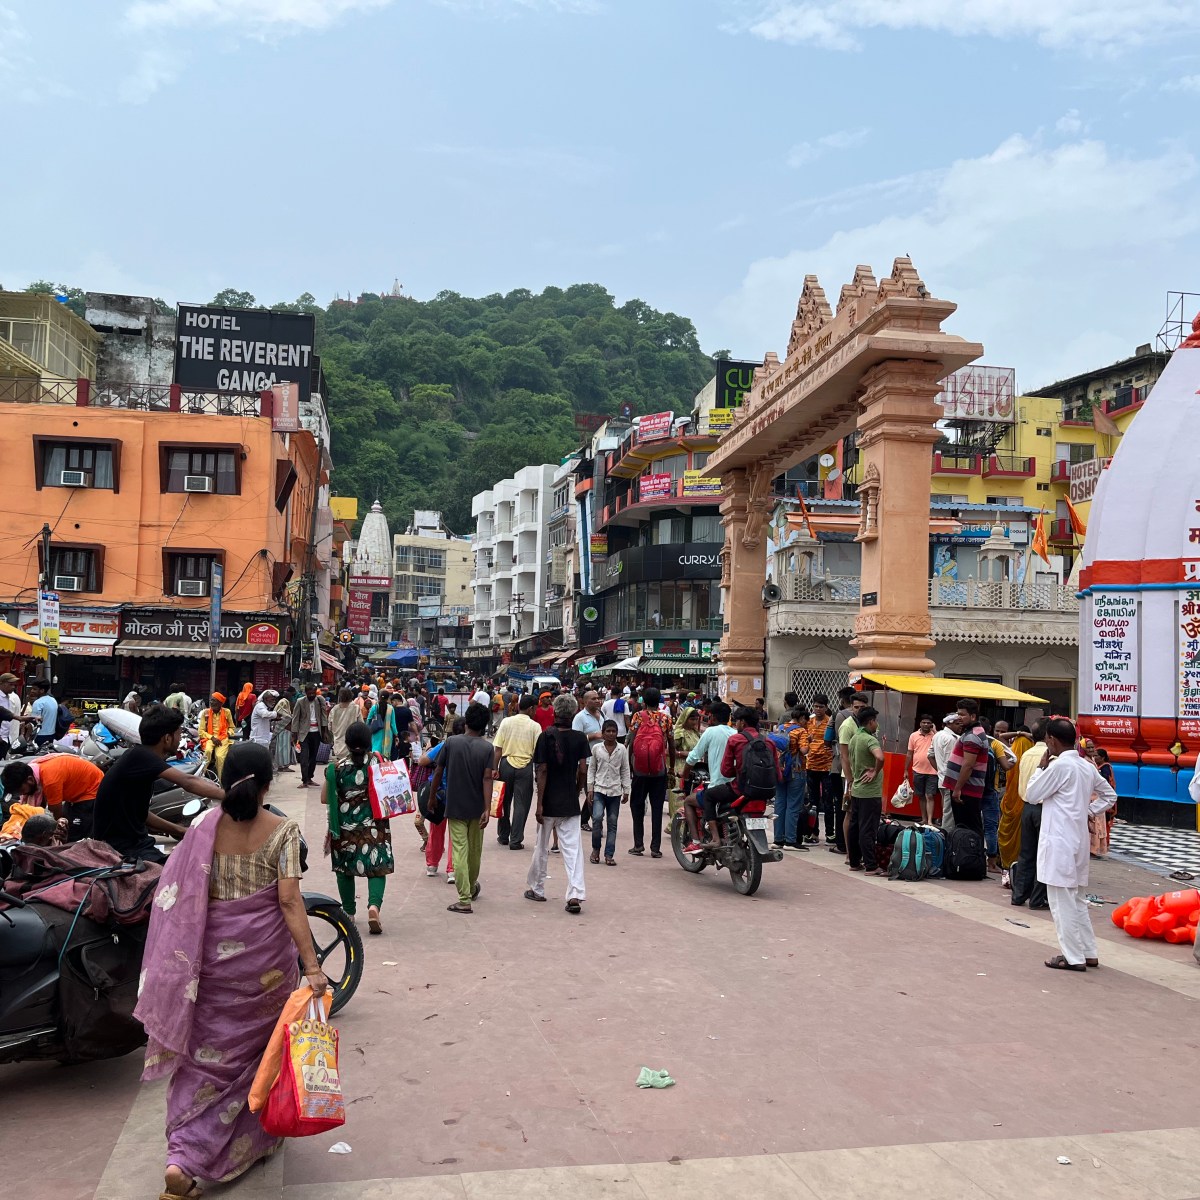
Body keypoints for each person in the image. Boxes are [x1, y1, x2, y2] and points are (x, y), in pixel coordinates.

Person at [134, 740, 327, 1196]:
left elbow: (179, 893)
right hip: (266, 971)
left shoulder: (203, 826)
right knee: (258, 1055)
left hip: (211, 970)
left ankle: (183, 1157)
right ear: (265, 785)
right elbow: (288, 900)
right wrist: (313, 967)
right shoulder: (282, 830)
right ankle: (248, 1141)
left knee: (205, 1058)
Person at [1024, 718, 1117, 970]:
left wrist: (1041, 768)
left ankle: (1073, 957)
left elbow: (1031, 795)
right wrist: (1088, 810)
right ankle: (1088, 952)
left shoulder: (1058, 766)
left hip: (1059, 840)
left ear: (1051, 740)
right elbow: (1110, 795)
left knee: (1060, 900)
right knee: (1076, 898)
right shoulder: (1086, 766)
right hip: (1077, 840)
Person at [93, 703, 226, 864]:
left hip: (136, 845)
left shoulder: (139, 756)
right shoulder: (141, 757)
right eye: (179, 734)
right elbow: (188, 781)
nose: (180, 739)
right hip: (122, 850)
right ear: (167, 738)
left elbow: (141, 815)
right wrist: (230, 796)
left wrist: (181, 831)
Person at [323, 719, 393, 935]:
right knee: (377, 866)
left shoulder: (336, 769)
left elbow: (325, 798)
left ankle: (349, 913)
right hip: (375, 827)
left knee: (344, 870)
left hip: (344, 829)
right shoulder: (380, 763)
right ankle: (373, 907)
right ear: (369, 741)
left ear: (347, 742)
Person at [526, 693, 591, 912]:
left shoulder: (545, 736)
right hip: (569, 801)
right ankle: (575, 893)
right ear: (573, 712)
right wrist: (577, 790)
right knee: (573, 849)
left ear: (555, 712)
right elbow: (583, 769)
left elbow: (542, 770)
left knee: (541, 847)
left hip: (549, 801)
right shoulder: (580, 738)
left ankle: (538, 888)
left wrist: (539, 803)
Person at [430, 702, 494, 914]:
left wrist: (431, 797)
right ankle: (471, 887)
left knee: (459, 849)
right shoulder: (487, 748)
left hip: (455, 805)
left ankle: (464, 898)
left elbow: (438, 772)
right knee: (475, 850)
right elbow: (487, 779)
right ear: (485, 725)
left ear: (466, 720)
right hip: (477, 807)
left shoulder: (451, 743)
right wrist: (487, 808)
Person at [698, 706, 781, 845]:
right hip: (766, 793)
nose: (735, 725)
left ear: (742, 722)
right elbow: (777, 774)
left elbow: (726, 771)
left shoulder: (735, 740)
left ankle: (715, 838)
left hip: (740, 790)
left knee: (708, 796)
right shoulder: (769, 742)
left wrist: (738, 771)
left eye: (736, 721)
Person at [1, 753, 104, 840]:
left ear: (30, 780)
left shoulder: (50, 780)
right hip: (74, 791)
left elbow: (54, 814)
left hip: (91, 790)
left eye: (22, 791)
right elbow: (39, 809)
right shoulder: (35, 770)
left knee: (72, 834)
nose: (23, 795)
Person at [626, 686, 676, 858]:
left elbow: (632, 743)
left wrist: (630, 766)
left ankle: (638, 845)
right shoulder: (666, 718)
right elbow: (672, 744)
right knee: (657, 808)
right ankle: (655, 848)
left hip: (639, 770)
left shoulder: (638, 716)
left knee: (637, 806)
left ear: (644, 701)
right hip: (659, 769)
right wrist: (671, 767)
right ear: (660, 701)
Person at [681, 700, 736, 850]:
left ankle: (697, 841)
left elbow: (693, 757)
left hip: (719, 786)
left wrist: (684, 775)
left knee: (689, 801)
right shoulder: (735, 733)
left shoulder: (711, 732)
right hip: (736, 786)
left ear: (712, 717)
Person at [491, 692, 541, 850]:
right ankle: (516, 840)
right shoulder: (535, 726)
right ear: (532, 709)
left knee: (504, 802)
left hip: (506, 764)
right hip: (525, 767)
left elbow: (497, 749)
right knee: (521, 804)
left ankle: (503, 836)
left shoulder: (506, 722)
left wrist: (494, 768)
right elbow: (538, 753)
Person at [1011, 718, 1051, 910]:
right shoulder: (1051, 756)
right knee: (1044, 854)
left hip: (1027, 806)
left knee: (1026, 854)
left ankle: (1018, 895)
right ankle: (1037, 898)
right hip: (1044, 808)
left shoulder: (1027, 753)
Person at [420, 716, 462, 881]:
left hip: (439, 794)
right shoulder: (471, 746)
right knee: (456, 832)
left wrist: (428, 748)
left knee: (436, 829)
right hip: (459, 795)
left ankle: (432, 864)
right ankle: (452, 869)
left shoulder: (445, 745)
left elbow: (423, 761)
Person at [847, 706, 885, 875]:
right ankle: (871, 865)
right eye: (875, 721)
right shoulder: (870, 739)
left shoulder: (855, 737)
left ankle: (854, 861)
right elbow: (880, 757)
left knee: (855, 827)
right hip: (870, 792)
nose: (877, 724)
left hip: (857, 790)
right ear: (870, 722)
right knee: (867, 828)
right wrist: (875, 771)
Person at [943, 699, 988, 837]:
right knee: (967, 828)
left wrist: (957, 789)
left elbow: (968, 765)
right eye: (958, 714)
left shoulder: (972, 736)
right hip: (966, 790)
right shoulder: (971, 733)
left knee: (968, 830)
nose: (958, 718)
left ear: (973, 716)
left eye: (962, 715)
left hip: (966, 791)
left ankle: (973, 857)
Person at [587, 719, 630, 866]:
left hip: (615, 791)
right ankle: (595, 850)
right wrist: (590, 789)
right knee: (597, 818)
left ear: (617, 733)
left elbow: (625, 769)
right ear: (603, 733)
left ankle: (609, 854)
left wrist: (626, 790)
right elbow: (591, 769)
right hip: (599, 789)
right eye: (608, 731)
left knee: (612, 823)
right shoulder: (597, 749)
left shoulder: (622, 749)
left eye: (613, 731)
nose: (611, 734)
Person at [998, 724, 1034, 886]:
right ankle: (1016, 868)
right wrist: (1024, 734)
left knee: (1006, 830)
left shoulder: (1011, 752)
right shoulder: (1034, 753)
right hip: (1024, 798)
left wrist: (1019, 734)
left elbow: (1002, 738)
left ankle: (1007, 867)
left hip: (1011, 797)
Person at [769, 706, 808, 851]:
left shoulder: (780, 727)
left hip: (780, 770)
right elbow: (804, 750)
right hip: (796, 770)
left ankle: (778, 839)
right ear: (802, 718)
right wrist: (807, 742)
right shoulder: (801, 731)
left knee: (780, 803)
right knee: (793, 805)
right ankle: (790, 840)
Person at [835, 691, 868, 856]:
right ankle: (850, 853)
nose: (859, 710)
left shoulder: (870, 723)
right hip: (851, 776)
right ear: (851, 707)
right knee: (850, 812)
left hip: (867, 776)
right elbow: (844, 756)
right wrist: (850, 779)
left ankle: (861, 851)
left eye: (862, 707)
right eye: (856, 707)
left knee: (864, 814)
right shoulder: (848, 726)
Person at [802, 695, 836, 849]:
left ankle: (830, 834)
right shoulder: (809, 721)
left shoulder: (831, 722)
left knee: (828, 802)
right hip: (811, 766)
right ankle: (813, 833)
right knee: (813, 802)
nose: (818, 709)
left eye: (821, 706)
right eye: (815, 706)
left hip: (826, 767)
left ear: (826, 707)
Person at [290, 682, 331, 788]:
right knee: (304, 757)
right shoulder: (300, 702)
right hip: (304, 733)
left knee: (313, 757)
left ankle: (309, 778)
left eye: (313, 693)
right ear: (306, 693)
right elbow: (295, 718)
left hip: (316, 733)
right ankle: (304, 780)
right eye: (309, 693)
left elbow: (323, 716)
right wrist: (294, 734)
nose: (312, 695)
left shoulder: (320, 700)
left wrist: (325, 731)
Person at [904, 714, 939, 825]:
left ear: (931, 724)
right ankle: (924, 818)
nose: (926, 724)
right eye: (924, 722)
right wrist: (905, 770)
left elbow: (941, 744)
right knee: (921, 796)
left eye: (928, 723)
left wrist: (935, 731)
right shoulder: (913, 736)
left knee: (929, 795)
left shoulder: (936, 736)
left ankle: (929, 821)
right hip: (918, 770)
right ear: (920, 723)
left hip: (933, 771)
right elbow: (909, 753)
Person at [929, 713, 960, 833]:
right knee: (949, 813)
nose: (959, 727)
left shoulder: (938, 735)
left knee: (947, 810)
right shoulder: (951, 739)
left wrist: (940, 771)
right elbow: (951, 763)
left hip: (942, 779)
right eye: (957, 724)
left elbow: (930, 755)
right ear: (950, 723)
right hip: (950, 781)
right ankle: (946, 837)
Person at [671, 706, 702, 822]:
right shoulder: (679, 733)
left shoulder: (695, 733)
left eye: (696, 719)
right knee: (679, 797)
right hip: (681, 767)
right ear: (685, 719)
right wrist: (685, 753)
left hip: (696, 768)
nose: (694, 722)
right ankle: (676, 825)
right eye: (691, 719)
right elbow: (670, 751)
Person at [198, 692, 235, 777]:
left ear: (220, 703)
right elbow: (201, 731)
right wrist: (212, 738)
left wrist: (227, 734)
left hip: (223, 738)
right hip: (210, 738)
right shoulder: (205, 713)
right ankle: (201, 775)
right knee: (207, 751)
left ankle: (220, 780)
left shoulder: (227, 712)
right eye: (211, 700)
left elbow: (232, 727)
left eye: (214, 701)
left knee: (220, 757)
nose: (211, 702)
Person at [27, 678, 59, 749]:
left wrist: (28, 738)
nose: (32, 691)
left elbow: (34, 722)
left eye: (35, 689)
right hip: (51, 734)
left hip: (40, 735)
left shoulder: (38, 702)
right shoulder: (53, 700)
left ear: (42, 690)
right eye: (32, 688)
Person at [328, 686, 358, 760]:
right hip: (351, 742)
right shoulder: (355, 708)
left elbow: (329, 726)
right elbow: (360, 724)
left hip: (338, 743)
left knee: (339, 764)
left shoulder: (334, 709)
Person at [272, 689, 295, 773]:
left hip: (283, 731)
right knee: (284, 748)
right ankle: (283, 766)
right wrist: (290, 719)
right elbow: (284, 716)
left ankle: (282, 765)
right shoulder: (284, 702)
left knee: (282, 748)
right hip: (284, 730)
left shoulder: (281, 702)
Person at [0, 672, 20, 757]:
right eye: (11, 684)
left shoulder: (11, 697)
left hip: (8, 737)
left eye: (14, 685)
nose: (13, 687)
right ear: (2, 683)